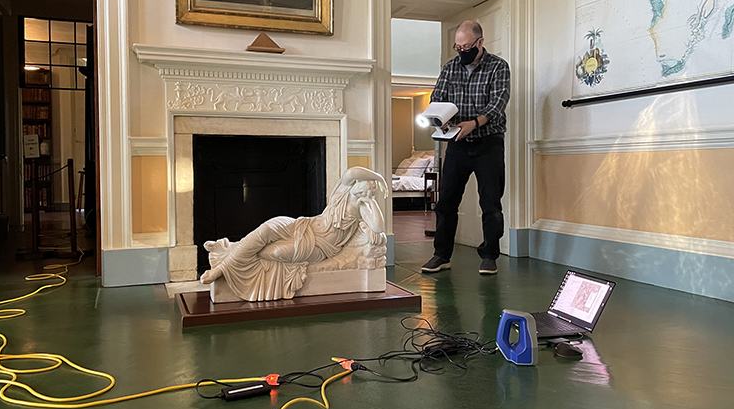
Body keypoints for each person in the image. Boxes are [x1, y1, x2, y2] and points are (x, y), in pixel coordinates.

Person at [200, 167, 387, 301]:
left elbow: (378, 226)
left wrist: (371, 204)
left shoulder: (362, 208)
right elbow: (351, 173)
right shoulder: (342, 192)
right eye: (364, 185)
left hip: (319, 245)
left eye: (367, 189)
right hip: (302, 225)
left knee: (271, 253)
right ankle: (221, 269)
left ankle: (230, 250)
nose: (362, 187)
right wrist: (380, 177)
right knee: (266, 229)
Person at [421, 20, 510, 275]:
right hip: (457, 144)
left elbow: (497, 104)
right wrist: (440, 118)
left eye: (466, 46)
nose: (461, 51)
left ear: (480, 43)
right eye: (457, 47)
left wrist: (474, 123)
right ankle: (441, 255)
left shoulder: (498, 67)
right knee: (446, 202)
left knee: (490, 203)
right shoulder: (450, 68)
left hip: (488, 143)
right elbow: (436, 97)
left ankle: (490, 256)